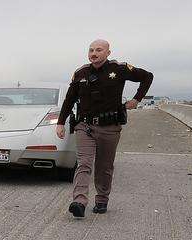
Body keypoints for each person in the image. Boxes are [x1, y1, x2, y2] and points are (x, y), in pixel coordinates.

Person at [56, 39, 153, 217]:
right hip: (84, 126)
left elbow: (148, 77)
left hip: (110, 127)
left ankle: (101, 199)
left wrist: (137, 99)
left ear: (108, 52)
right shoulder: (81, 73)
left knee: (104, 166)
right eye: (91, 50)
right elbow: (69, 99)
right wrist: (61, 122)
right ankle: (79, 201)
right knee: (84, 163)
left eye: (99, 50)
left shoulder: (120, 69)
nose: (94, 53)